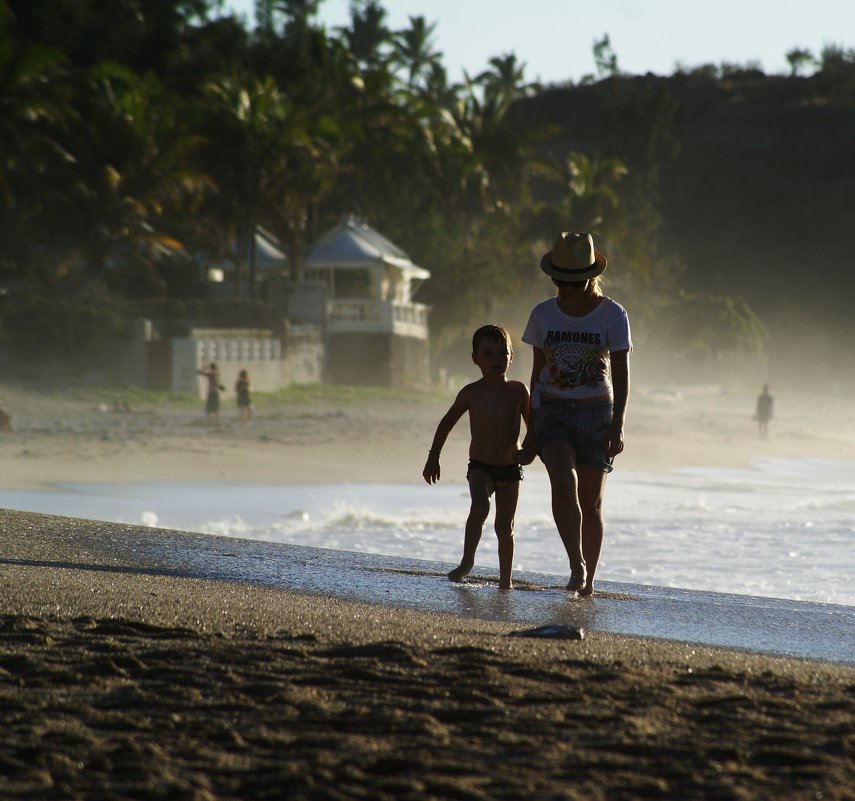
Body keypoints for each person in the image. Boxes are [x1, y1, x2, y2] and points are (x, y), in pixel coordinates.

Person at [515, 232, 632, 597]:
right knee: (562, 483)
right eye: (558, 281)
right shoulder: (542, 314)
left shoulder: (613, 315)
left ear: (589, 278)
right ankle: (576, 564)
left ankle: (589, 581)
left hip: (597, 413)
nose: (563, 288)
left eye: (571, 282)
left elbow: (623, 376)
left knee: (592, 502)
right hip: (552, 411)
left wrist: (618, 425)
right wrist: (531, 428)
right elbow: (535, 375)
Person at [423, 324, 531, 590]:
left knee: (505, 526)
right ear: (475, 359)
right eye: (489, 354)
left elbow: (535, 426)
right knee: (480, 507)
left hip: (510, 469)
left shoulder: (519, 391)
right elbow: (446, 423)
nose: (496, 359)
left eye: (502, 353)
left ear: (511, 356)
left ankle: (506, 581)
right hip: (480, 467)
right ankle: (467, 561)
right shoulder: (471, 393)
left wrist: (530, 450)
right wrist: (433, 456)